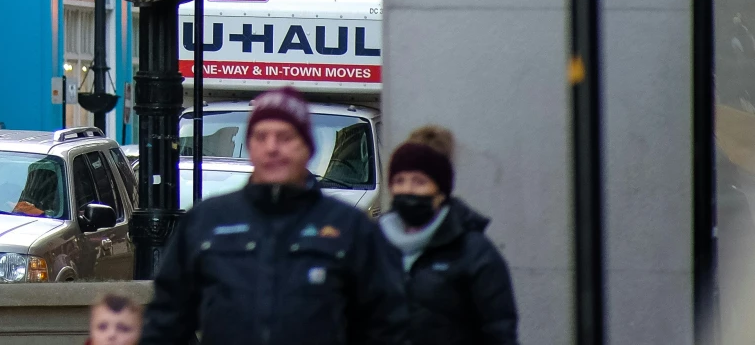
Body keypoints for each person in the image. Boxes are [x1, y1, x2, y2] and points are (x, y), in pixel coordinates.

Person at [142, 87, 408, 345]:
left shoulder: (350, 227)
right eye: (261, 137)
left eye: (285, 137)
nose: (272, 148)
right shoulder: (208, 221)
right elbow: (167, 320)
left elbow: (385, 324)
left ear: (308, 147)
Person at [379, 127, 517, 344]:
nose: (407, 190)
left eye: (419, 182)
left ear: (441, 192)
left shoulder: (474, 253)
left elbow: (498, 330)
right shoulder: (370, 245)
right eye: (399, 181)